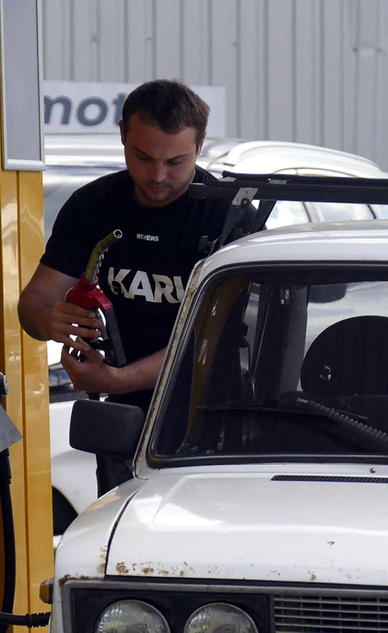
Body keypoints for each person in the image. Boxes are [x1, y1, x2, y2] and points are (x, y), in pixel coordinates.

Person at [18, 79, 253, 414]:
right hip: (123, 412)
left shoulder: (230, 217)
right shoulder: (93, 205)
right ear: (123, 134)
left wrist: (116, 380)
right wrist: (48, 320)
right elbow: (35, 300)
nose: (157, 175)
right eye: (143, 158)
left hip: (214, 413)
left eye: (175, 162)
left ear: (200, 145)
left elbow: (213, 340)